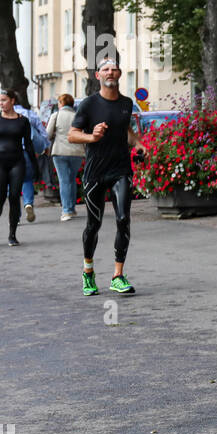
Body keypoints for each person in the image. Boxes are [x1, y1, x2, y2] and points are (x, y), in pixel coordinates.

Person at [68, 59, 143, 296]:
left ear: (120, 73)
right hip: (95, 173)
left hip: (121, 169)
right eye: (105, 69)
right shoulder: (89, 104)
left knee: (123, 219)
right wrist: (92, 137)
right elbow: (72, 135)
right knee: (94, 224)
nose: (110, 72)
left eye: (114, 68)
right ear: (98, 75)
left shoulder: (126, 103)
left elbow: (125, 130)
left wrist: (138, 144)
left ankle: (118, 275)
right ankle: (88, 272)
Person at [0, 89, 39, 247]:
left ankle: (12, 234)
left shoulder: (23, 121)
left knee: (14, 197)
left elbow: (29, 145)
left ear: (12, 101)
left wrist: (35, 166)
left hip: (17, 162)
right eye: (0, 100)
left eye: (4, 100)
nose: (1, 103)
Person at [46, 93, 84, 221]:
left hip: (60, 151)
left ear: (61, 103)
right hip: (77, 152)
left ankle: (66, 211)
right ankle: (71, 208)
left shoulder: (56, 115)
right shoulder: (77, 116)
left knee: (64, 181)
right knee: (72, 180)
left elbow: (48, 133)